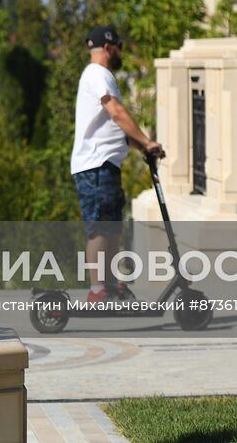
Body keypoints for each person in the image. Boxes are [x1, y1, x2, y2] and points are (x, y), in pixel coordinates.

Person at [71, 25, 165, 304]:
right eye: (120, 47)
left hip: (106, 165)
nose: (121, 52)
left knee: (112, 226)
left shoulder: (101, 76)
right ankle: (98, 289)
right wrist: (146, 141)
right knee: (100, 226)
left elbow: (117, 127)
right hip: (95, 166)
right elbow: (116, 112)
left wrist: (143, 147)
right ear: (109, 48)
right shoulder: (97, 74)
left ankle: (110, 282)